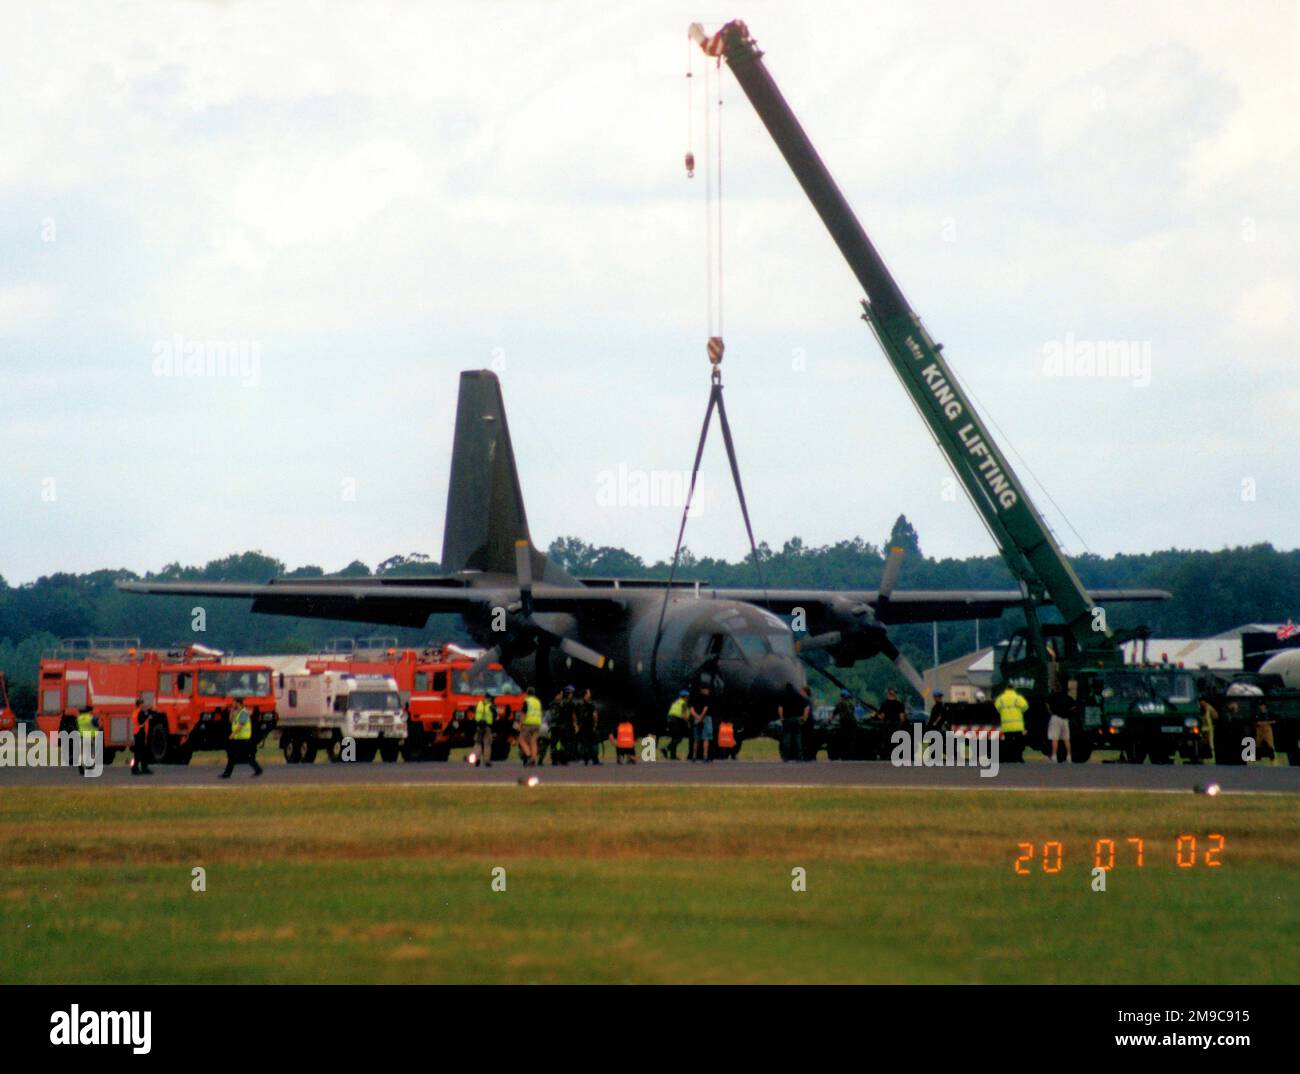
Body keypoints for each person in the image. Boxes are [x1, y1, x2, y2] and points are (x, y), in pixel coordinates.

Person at [221, 697, 262, 778]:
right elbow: (230, 720)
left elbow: (241, 725)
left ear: (238, 703)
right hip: (238, 739)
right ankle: (227, 774)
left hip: (244, 739)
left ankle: (258, 770)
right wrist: (232, 710)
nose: (232, 704)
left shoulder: (244, 712)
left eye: (234, 702)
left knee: (247, 757)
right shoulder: (237, 712)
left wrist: (233, 733)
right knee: (232, 757)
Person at [994, 683, 1028, 763]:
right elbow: (1025, 707)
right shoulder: (1017, 698)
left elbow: (997, 708)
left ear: (1006, 689)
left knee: (1008, 743)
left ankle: (1009, 758)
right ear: (1014, 689)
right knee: (1019, 743)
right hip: (1017, 726)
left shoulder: (1000, 698)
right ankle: (1019, 758)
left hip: (1006, 726)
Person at [779, 685, 810, 761]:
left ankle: (786, 757)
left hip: (787, 720)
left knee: (787, 738)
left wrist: (781, 718)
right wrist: (804, 718)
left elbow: (780, 708)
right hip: (797, 719)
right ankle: (798, 757)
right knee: (797, 739)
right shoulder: (799, 697)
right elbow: (806, 707)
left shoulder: (784, 697)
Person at [551, 686, 577, 766]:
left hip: (561, 727)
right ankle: (556, 759)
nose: (561, 696)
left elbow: (571, 715)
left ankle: (562, 759)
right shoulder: (556, 704)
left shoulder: (562, 703)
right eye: (560, 694)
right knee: (556, 744)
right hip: (557, 726)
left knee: (562, 744)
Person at [1046, 689, 1072, 763]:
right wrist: (1068, 713)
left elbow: (1047, 704)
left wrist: (1050, 711)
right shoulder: (1067, 697)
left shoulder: (1053, 696)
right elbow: (1074, 706)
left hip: (1055, 717)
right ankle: (1069, 756)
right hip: (1065, 719)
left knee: (1055, 738)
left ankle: (1054, 756)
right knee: (1066, 739)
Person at [663, 690, 690, 760]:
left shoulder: (676, 702)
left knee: (674, 737)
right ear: (685, 697)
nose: (688, 698)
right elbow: (684, 715)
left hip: (669, 719)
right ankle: (666, 749)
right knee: (678, 738)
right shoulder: (683, 703)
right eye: (688, 697)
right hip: (676, 720)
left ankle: (673, 756)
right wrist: (688, 723)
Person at [577, 688, 601, 765]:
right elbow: (595, 715)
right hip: (587, 727)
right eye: (588, 693)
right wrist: (595, 724)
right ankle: (592, 759)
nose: (590, 695)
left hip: (586, 727)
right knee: (591, 743)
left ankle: (588, 759)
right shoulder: (591, 705)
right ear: (585, 695)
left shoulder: (581, 705)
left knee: (587, 743)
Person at [519, 687, 543, 766]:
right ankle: (533, 759)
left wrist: (521, 724)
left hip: (528, 724)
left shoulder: (527, 701)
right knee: (533, 742)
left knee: (521, 740)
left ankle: (528, 755)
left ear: (527, 693)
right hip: (537, 724)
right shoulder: (538, 702)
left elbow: (524, 714)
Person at [690, 683, 712, 763]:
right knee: (706, 738)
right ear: (703, 689)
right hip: (706, 718)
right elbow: (705, 709)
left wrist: (697, 717)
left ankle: (694, 756)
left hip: (696, 718)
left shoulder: (693, 698)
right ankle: (705, 756)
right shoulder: (707, 698)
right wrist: (701, 717)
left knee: (696, 739)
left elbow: (691, 710)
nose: (708, 691)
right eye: (707, 689)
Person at [130, 697, 152, 776]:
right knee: (139, 752)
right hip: (140, 733)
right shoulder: (139, 712)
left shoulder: (135, 712)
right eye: (142, 703)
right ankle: (135, 768)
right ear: (139, 704)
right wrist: (148, 717)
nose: (143, 705)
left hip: (138, 733)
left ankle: (143, 767)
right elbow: (141, 722)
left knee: (142, 752)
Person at [831, 689, 857, 758]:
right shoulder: (851, 703)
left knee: (844, 738)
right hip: (853, 722)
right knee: (851, 739)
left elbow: (834, 713)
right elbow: (853, 711)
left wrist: (829, 720)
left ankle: (844, 754)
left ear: (841, 696)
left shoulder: (839, 703)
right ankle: (851, 754)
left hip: (844, 722)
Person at [75, 706, 99, 777]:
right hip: (90, 737)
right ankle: (90, 766)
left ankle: (81, 765)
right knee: (91, 752)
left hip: (82, 736)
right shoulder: (90, 718)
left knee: (83, 752)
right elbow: (96, 725)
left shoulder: (79, 718)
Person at [473, 693, 495, 767]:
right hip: (487, 727)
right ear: (490, 699)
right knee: (487, 744)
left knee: (478, 743)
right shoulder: (491, 706)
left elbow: (474, 712)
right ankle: (487, 761)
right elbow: (495, 716)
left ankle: (477, 759)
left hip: (479, 726)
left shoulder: (479, 704)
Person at [1195, 696, 1217, 764]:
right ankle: (1201, 758)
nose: (1201, 703)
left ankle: (1212, 758)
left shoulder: (1209, 707)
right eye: (1200, 701)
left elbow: (1215, 716)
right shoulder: (1197, 708)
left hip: (1208, 729)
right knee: (1200, 744)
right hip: (1200, 729)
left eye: (1202, 701)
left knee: (1210, 744)